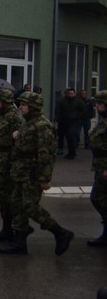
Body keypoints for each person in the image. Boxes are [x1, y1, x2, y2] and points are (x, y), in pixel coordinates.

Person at [0, 91, 74, 256]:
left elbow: (46, 154)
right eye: (20, 104)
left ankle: (60, 232)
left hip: (32, 172)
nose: (20, 107)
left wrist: (44, 178)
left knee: (30, 207)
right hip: (20, 171)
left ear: (33, 107)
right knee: (16, 205)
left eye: (24, 105)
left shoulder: (43, 125)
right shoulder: (27, 123)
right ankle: (19, 242)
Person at [0, 87, 25, 243]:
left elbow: (14, 141)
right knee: (2, 195)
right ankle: (7, 229)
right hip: (3, 160)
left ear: (4, 101)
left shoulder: (14, 117)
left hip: (10, 161)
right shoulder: (4, 116)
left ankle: (17, 230)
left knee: (8, 196)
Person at [88, 90, 107, 246]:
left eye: (99, 103)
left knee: (99, 198)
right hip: (99, 166)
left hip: (105, 166)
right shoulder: (103, 121)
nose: (97, 106)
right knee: (99, 198)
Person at [55, 87, 87, 159]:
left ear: (74, 93)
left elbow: (84, 111)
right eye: (69, 93)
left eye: (72, 93)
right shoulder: (64, 101)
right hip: (65, 122)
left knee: (71, 135)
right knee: (68, 137)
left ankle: (72, 153)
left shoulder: (79, 101)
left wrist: (77, 116)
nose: (70, 95)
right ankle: (70, 152)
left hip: (75, 121)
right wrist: (58, 119)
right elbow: (59, 110)